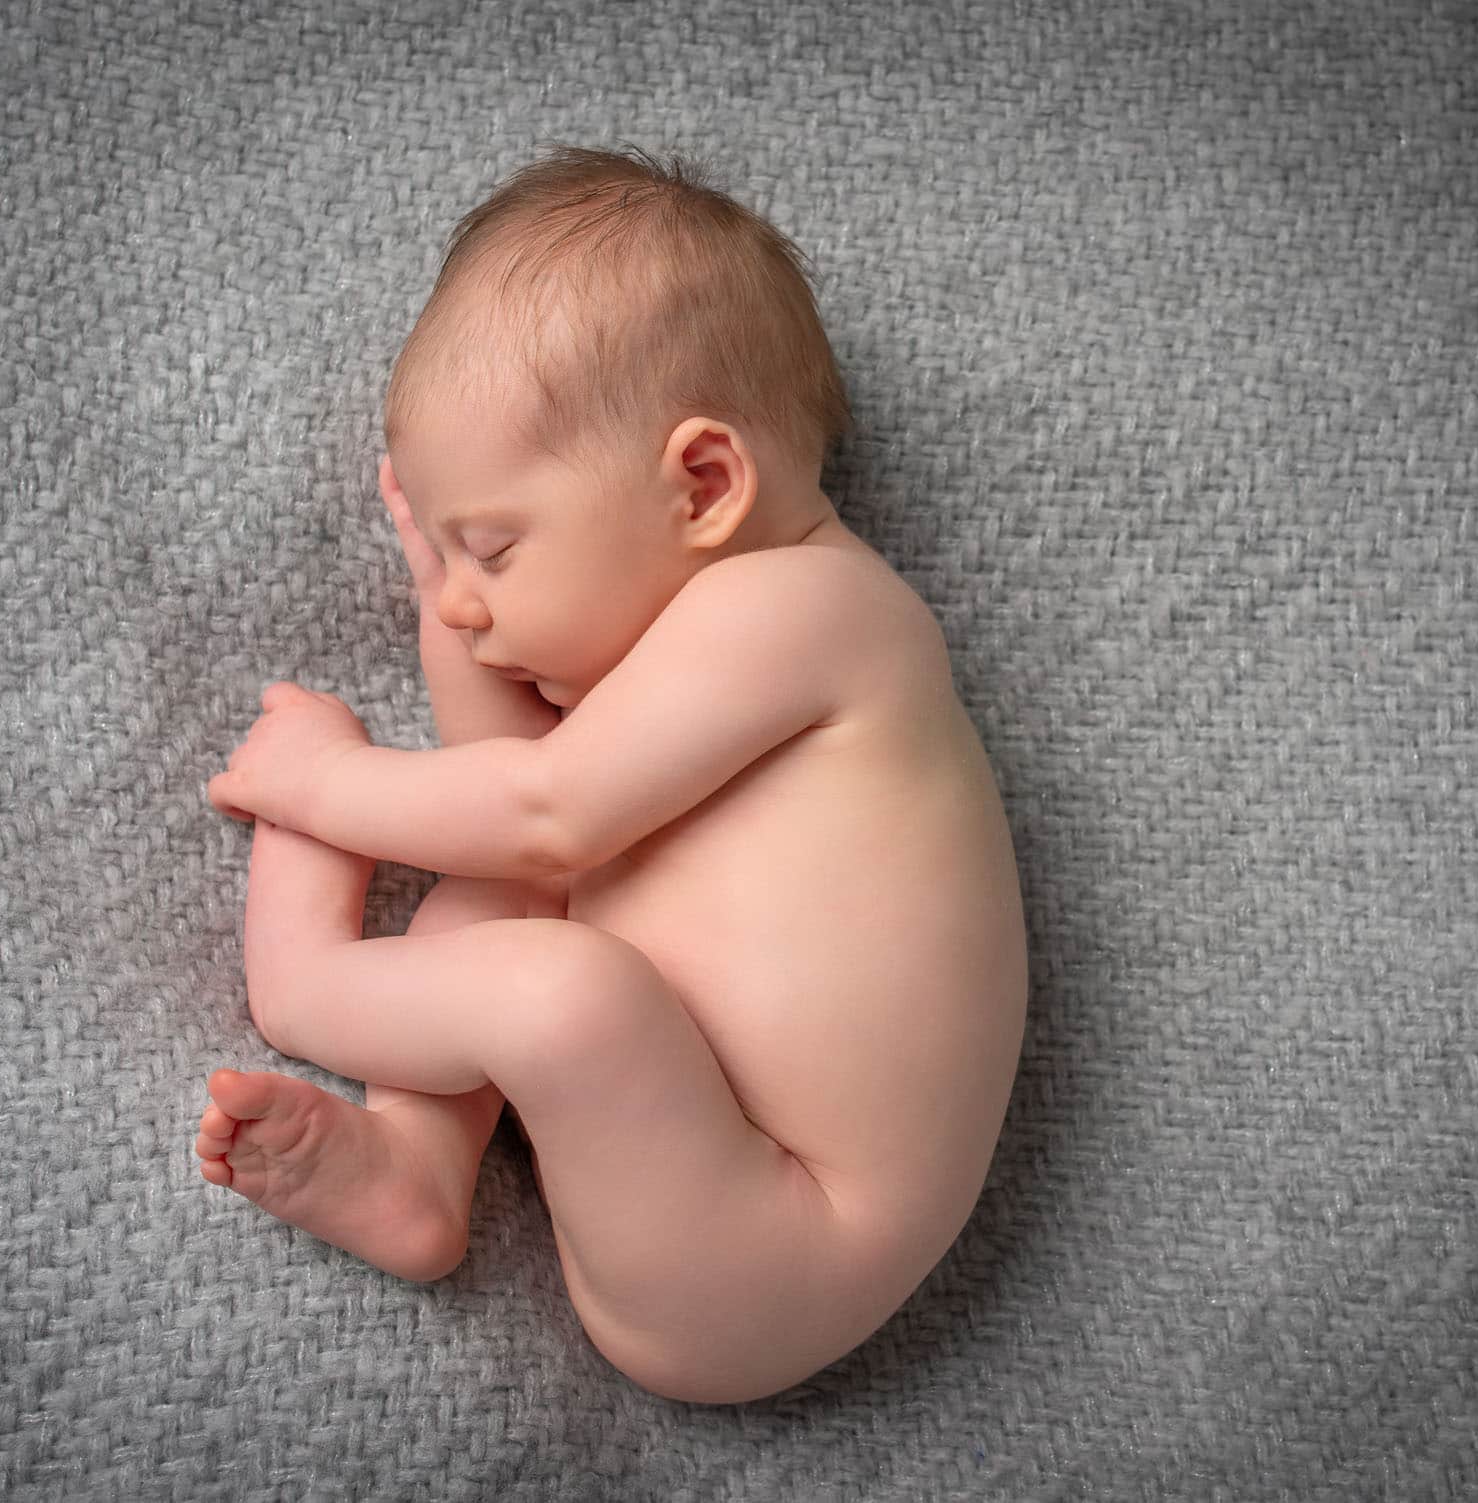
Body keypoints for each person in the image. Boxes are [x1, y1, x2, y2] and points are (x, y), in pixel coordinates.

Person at [196, 144, 1027, 1404]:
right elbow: (510, 790)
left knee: (559, 982)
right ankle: (419, 1165)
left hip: (771, 1245)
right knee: (515, 915)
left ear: (702, 483)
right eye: (448, 553)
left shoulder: (811, 611)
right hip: (671, 1160)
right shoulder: (681, 655)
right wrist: (450, 594)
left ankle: (300, 983)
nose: (469, 608)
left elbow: (544, 810)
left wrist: (324, 787)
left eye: (495, 548)